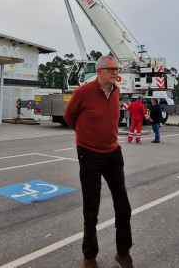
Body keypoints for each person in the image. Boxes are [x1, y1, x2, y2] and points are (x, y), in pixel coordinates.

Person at [64, 55, 134, 268]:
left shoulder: (116, 92)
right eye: (112, 69)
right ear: (100, 71)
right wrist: (86, 136)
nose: (116, 72)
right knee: (91, 208)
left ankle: (123, 253)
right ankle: (90, 256)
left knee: (123, 206)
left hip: (113, 154)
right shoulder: (83, 93)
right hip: (89, 155)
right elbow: (69, 117)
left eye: (117, 69)